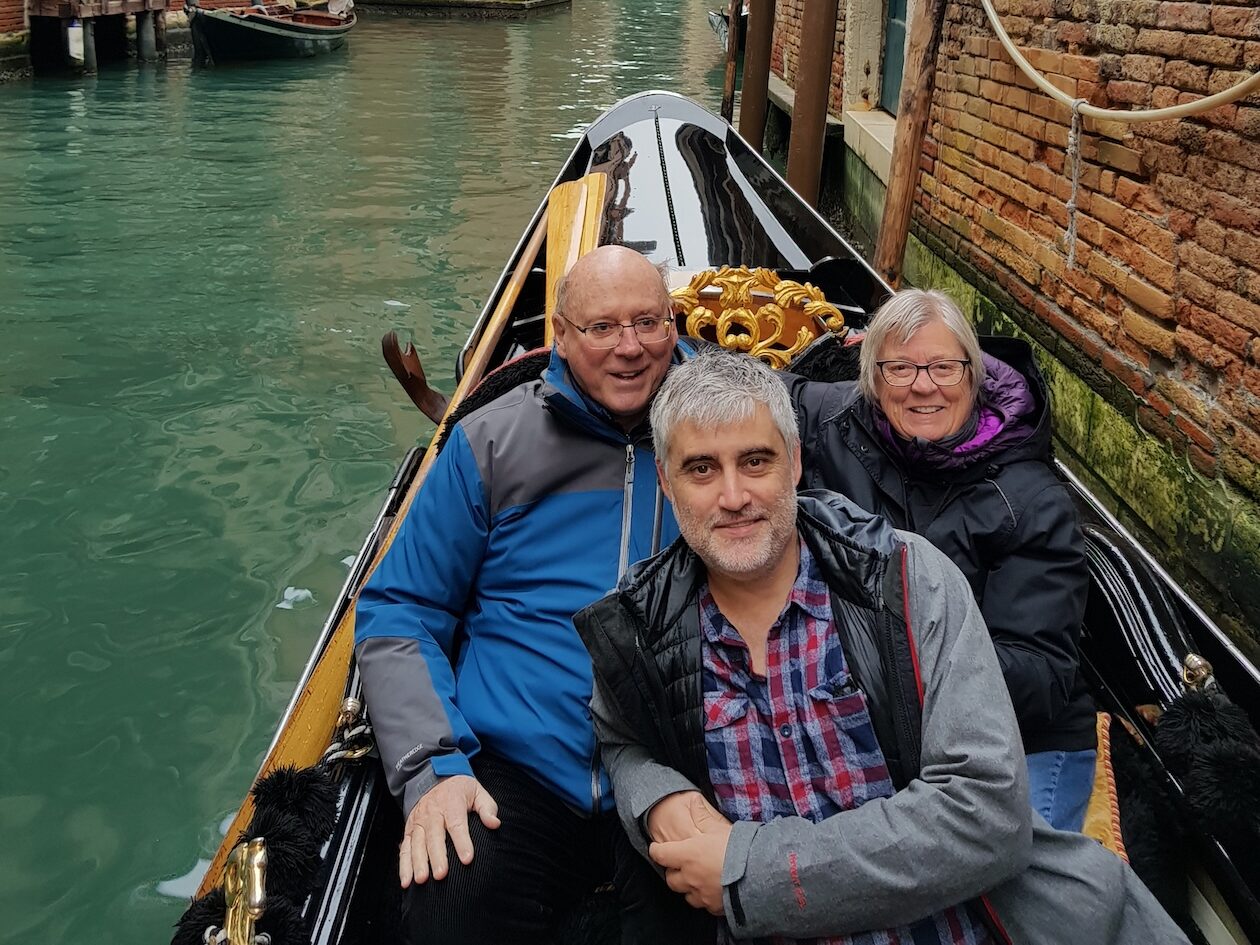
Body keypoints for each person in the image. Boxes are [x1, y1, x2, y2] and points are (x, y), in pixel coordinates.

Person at [575, 349, 1188, 945]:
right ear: (666, 480)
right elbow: (622, 738)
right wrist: (655, 796)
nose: (733, 497)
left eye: (755, 461)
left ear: (794, 463)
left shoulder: (909, 577)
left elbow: (985, 813)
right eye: (701, 469)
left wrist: (749, 871)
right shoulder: (638, 624)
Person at [354, 244, 694, 944]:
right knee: (446, 898)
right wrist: (434, 766)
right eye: (602, 328)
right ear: (560, 338)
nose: (630, 348)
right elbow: (402, 609)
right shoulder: (490, 442)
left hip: (676, 761)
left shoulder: (716, 433)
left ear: (675, 325)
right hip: (519, 767)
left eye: (649, 323)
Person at [786, 289, 1096, 832]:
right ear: (873, 379)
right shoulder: (835, 420)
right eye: (900, 368)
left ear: (973, 376)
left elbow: (1039, 674)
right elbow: (743, 394)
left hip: (1019, 736)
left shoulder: (1032, 501)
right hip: (878, 718)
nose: (923, 386)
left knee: (1018, 889)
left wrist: (889, 667)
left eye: (944, 368)